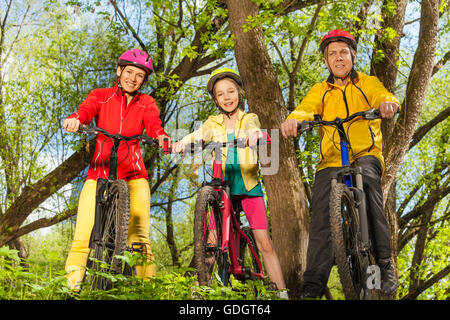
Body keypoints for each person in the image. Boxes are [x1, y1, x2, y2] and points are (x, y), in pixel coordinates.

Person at [281, 29, 399, 298]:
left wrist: (387, 104)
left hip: (364, 153)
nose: (338, 57)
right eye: (331, 54)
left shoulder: (366, 82)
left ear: (353, 56)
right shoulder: (321, 90)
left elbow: (382, 95)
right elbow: (305, 108)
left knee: (370, 189)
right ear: (326, 61)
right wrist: (294, 120)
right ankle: (313, 284)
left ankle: (384, 263)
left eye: (343, 52)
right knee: (321, 216)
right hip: (331, 161)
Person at [172, 68, 288, 299]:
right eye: (221, 94)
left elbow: (254, 129)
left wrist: (255, 136)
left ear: (239, 93)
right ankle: (199, 293)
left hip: (247, 185)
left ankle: (283, 294)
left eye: (231, 91)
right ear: (215, 99)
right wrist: (180, 143)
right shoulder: (212, 123)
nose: (227, 97)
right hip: (221, 186)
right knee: (211, 243)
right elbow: (197, 136)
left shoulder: (248, 118)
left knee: (264, 242)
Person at [63, 49, 171, 292]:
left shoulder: (146, 103)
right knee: (82, 238)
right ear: (119, 71)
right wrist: (75, 119)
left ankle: (146, 291)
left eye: (139, 75)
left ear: (144, 80)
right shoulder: (101, 96)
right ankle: (70, 290)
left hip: (134, 176)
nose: (133, 78)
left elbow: (153, 123)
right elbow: (86, 110)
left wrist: (161, 136)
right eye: (129, 72)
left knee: (140, 239)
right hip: (99, 174)